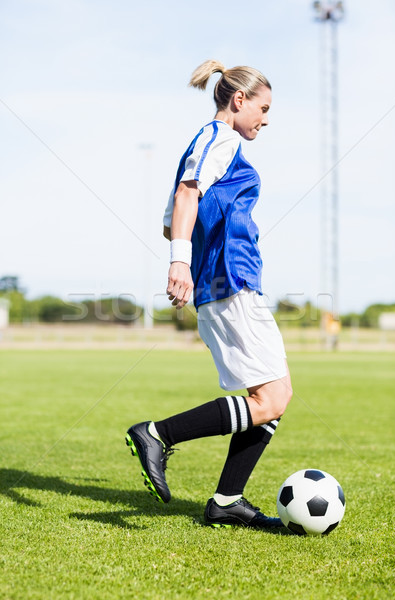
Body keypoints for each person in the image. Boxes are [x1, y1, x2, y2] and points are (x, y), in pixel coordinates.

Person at [126, 59, 293, 530]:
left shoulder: (210, 146)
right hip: (229, 279)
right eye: (263, 107)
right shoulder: (219, 138)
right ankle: (157, 434)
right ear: (238, 100)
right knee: (271, 399)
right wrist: (182, 259)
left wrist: (188, 241)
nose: (265, 117)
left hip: (232, 278)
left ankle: (226, 499)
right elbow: (184, 197)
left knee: (275, 393)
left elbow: (174, 214)